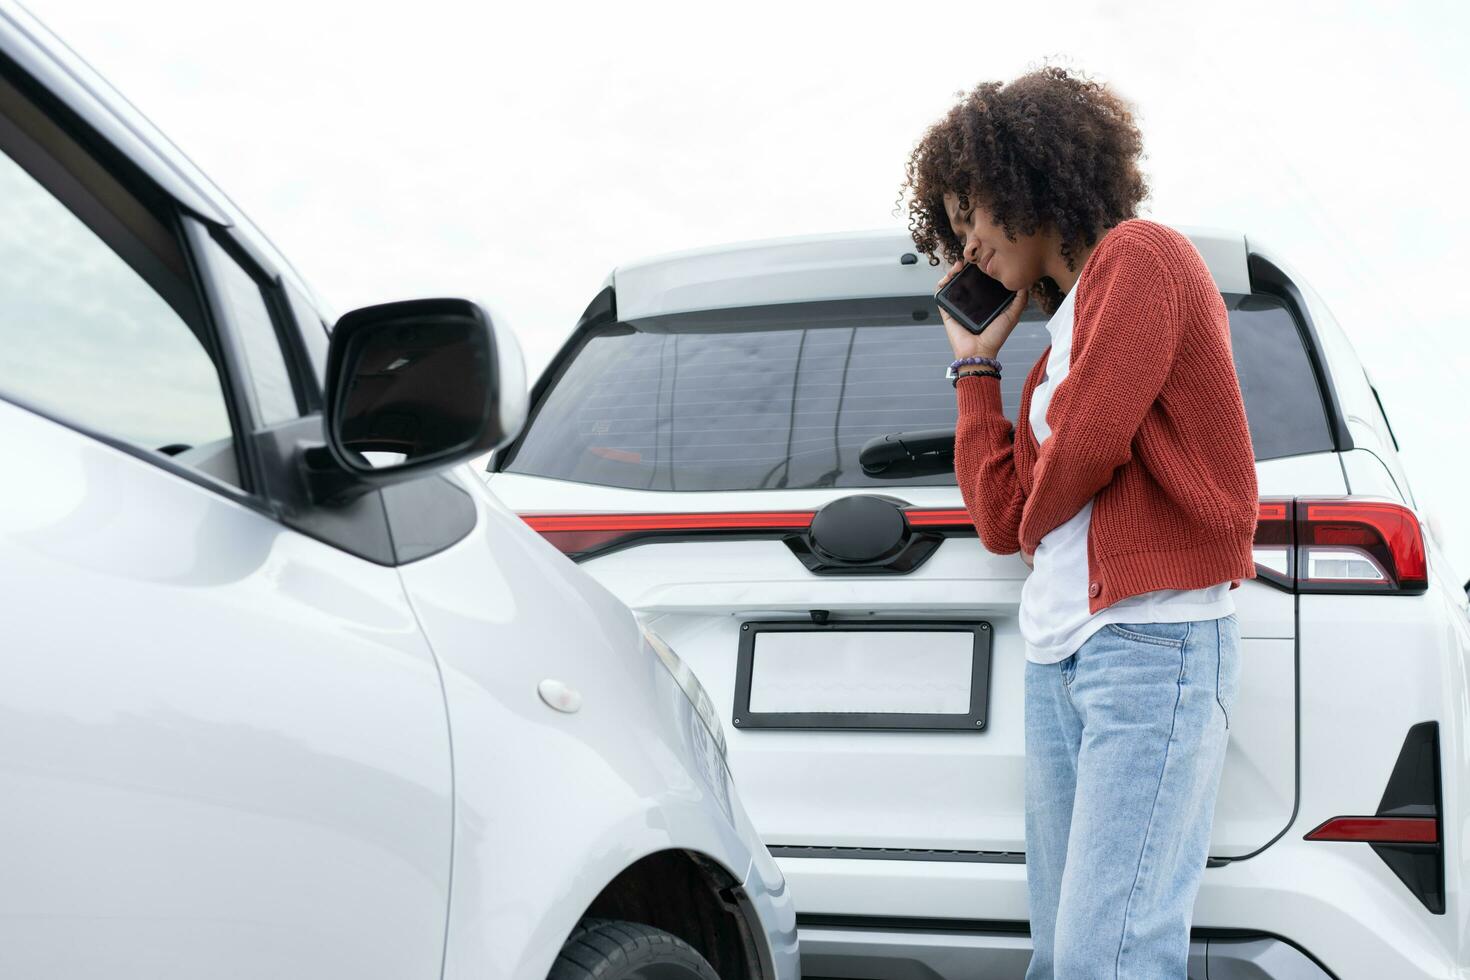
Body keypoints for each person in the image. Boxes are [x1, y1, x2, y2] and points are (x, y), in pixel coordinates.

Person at [901, 66, 1259, 978]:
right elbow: (1000, 517)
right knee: (1064, 954)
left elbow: (1086, 450)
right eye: (950, 228)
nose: (966, 246)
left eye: (971, 211)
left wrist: (1031, 508)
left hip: (1153, 646)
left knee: (1114, 955)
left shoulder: (1144, 258)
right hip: (1061, 655)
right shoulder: (1052, 350)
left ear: (1027, 179)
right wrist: (976, 368)